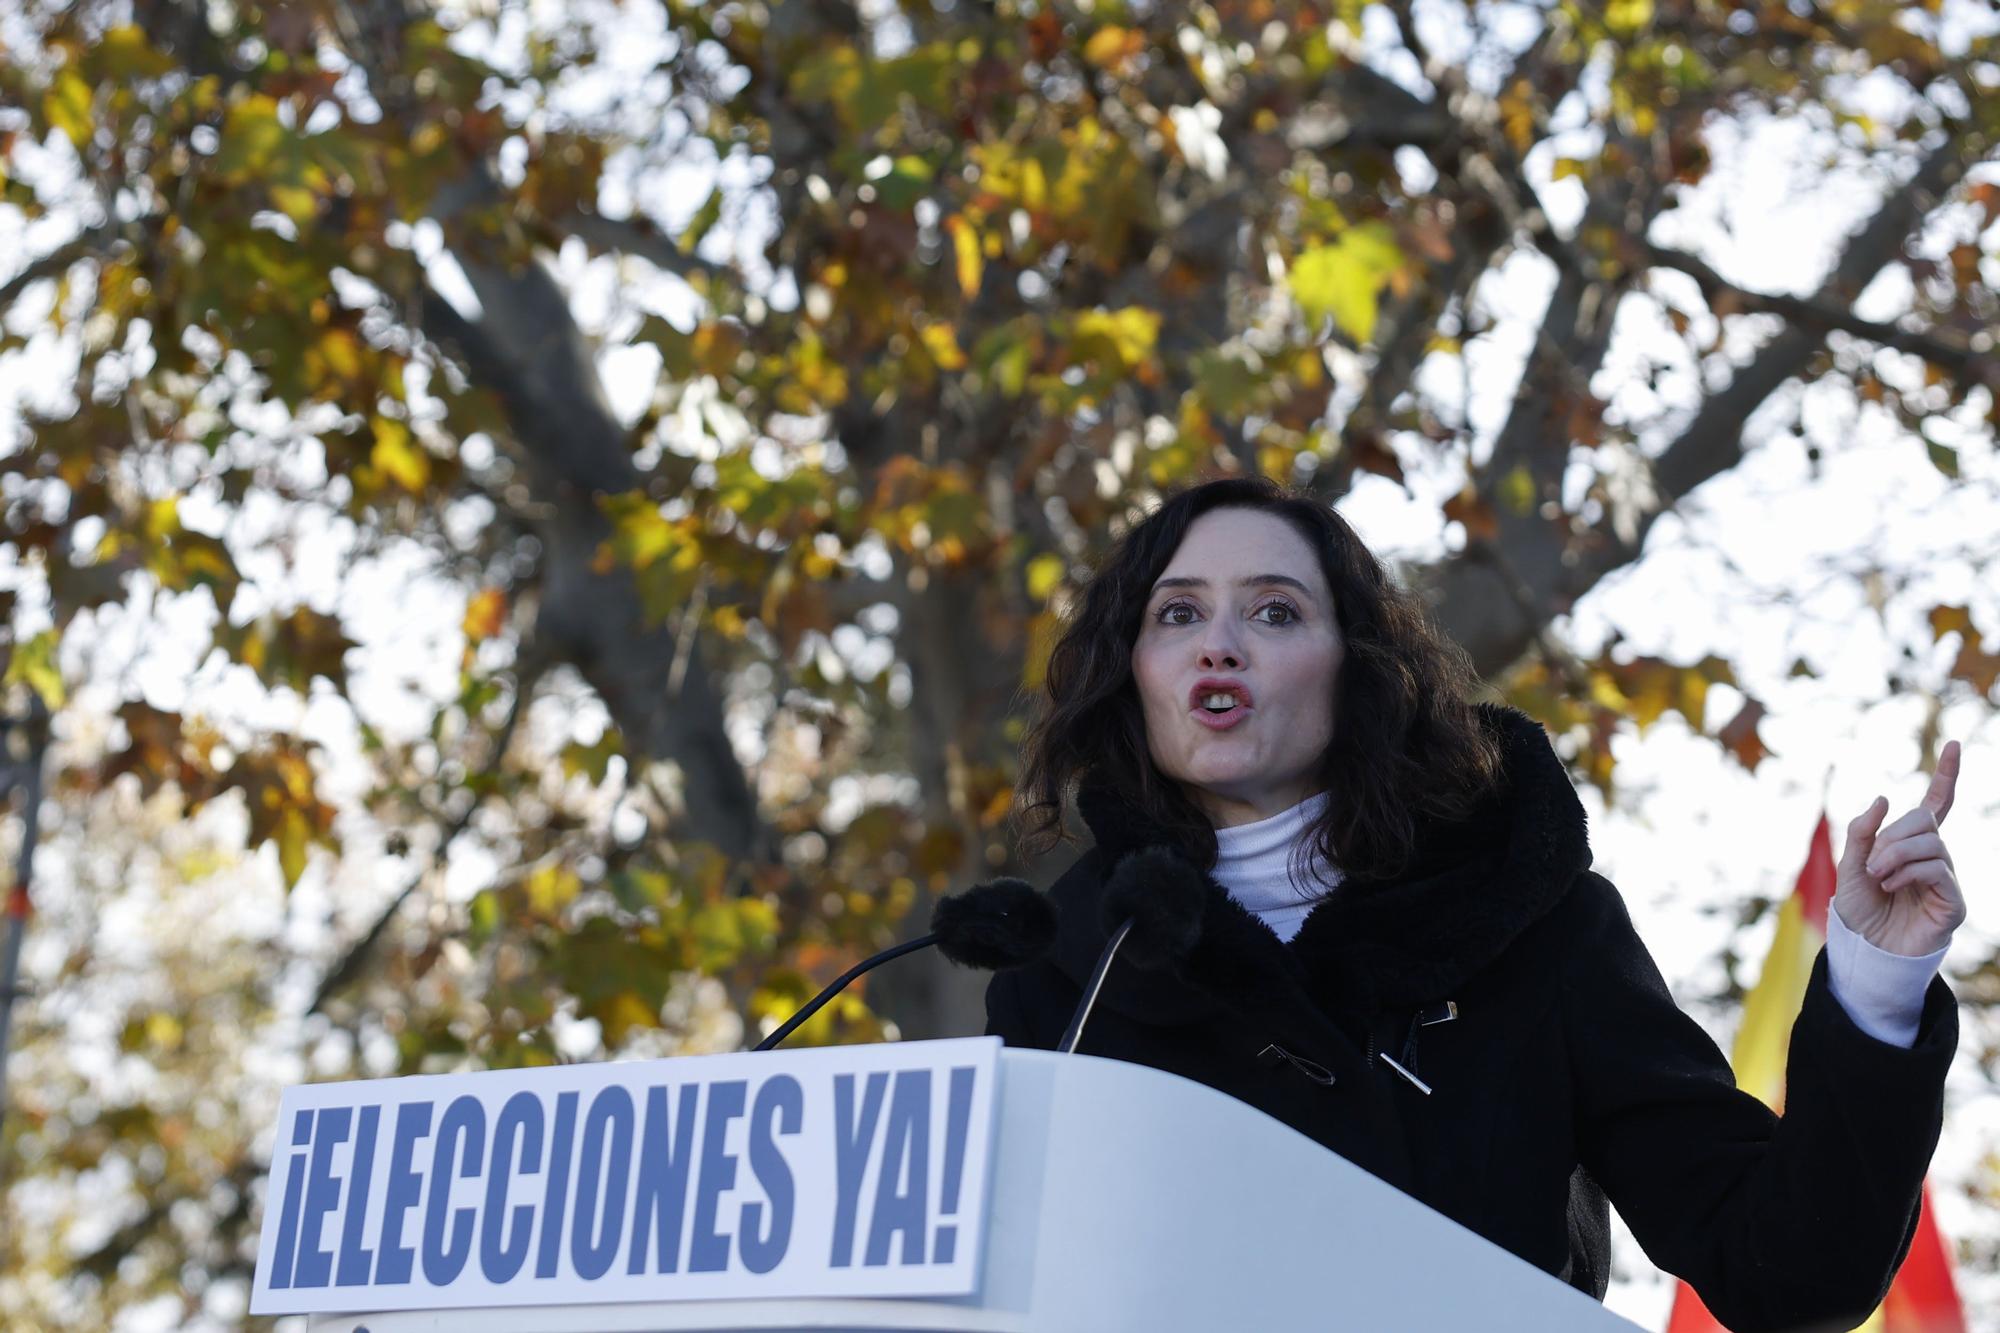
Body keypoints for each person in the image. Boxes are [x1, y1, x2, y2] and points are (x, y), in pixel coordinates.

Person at [985, 474, 1964, 1333]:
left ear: (1355, 665)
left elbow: (1785, 1275)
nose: (1218, 647)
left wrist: (1875, 989)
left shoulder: (1535, 926)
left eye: (1274, 611)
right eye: (1176, 614)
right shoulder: (1066, 974)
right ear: (1133, 672)